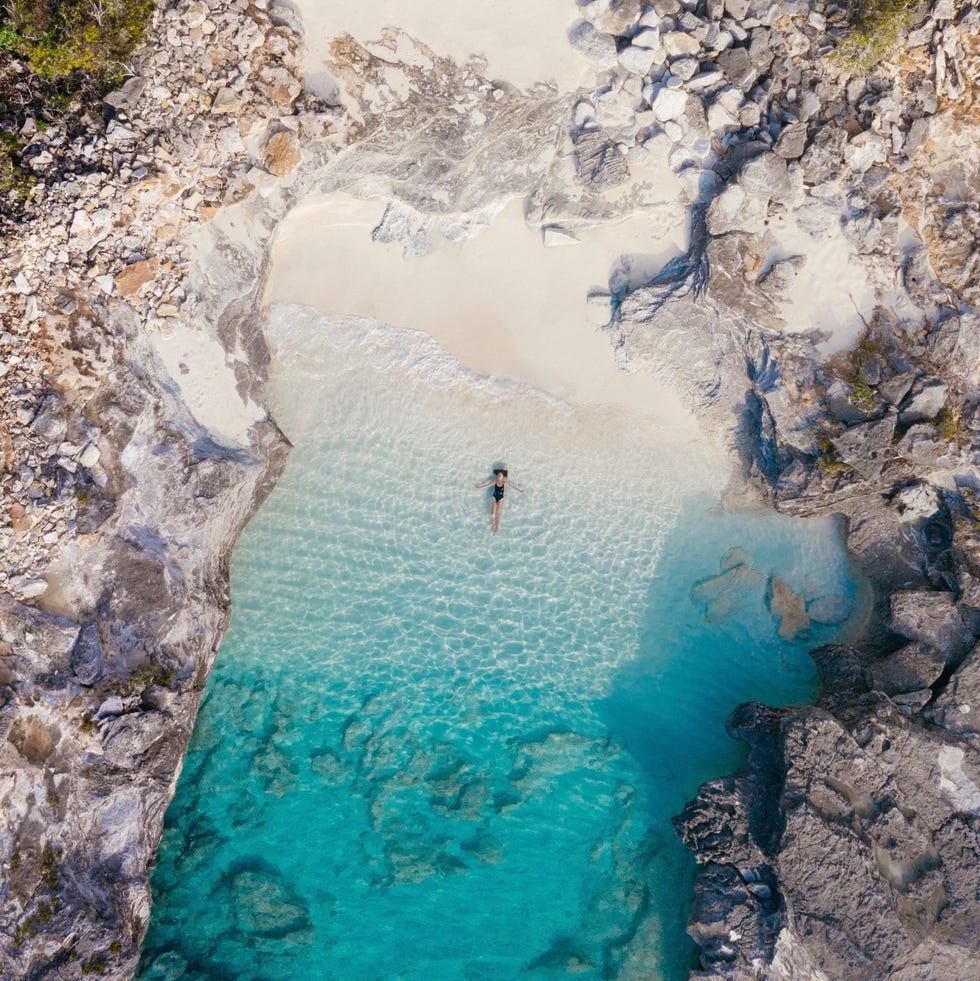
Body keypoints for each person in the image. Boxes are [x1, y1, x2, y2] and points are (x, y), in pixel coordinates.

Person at [474, 467, 523, 535]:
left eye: (501, 475)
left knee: (498, 514)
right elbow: (487, 485)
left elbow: (512, 486)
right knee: (492, 514)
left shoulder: (504, 482)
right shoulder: (495, 482)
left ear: (503, 476)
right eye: (499, 475)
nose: (500, 476)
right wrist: (479, 487)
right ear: (497, 476)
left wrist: (519, 490)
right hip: (494, 497)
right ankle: (493, 524)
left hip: (501, 499)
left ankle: (497, 527)